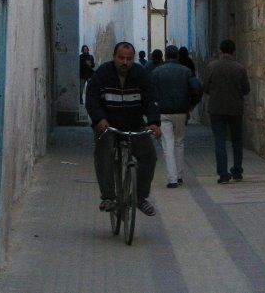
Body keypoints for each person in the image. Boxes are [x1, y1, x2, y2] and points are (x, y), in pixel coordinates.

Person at [85, 41, 161, 216]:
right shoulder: (103, 73)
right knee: (104, 153)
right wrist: (99, 119)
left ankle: (140, 197)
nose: (125, 62)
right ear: (114, 57)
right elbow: (92, 98)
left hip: (134, 124)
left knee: (149, 156)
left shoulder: (141, 74)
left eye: (129, 58)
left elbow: (151, 99)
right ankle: (108, 197)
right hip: (108, 125)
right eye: (121, 58)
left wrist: (154, 122)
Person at [151, 45, 203, 188]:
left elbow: (151, 92)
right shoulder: (186, 71)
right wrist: (191, 105)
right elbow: (197, 89)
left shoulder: (157, 72)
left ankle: (172, 178)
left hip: (163, 112)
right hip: (181, 111)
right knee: (179, 142)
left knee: (168, 145)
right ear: (178, 56)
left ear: (165, 56)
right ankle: (179, 175)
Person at [203, 39, 250, 184]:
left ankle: (223, 174)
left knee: (219, 141)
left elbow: (205, 87)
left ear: (221, 51)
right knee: (236, 141)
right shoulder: (240, 68)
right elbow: (246, 89)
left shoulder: (212, 67)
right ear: (233, 51)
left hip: (216, 109)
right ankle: (237, 171)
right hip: (235, 109)